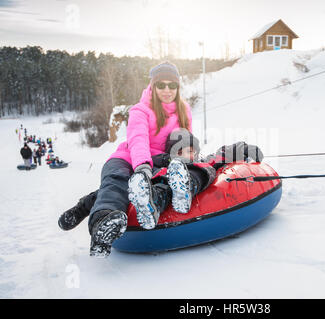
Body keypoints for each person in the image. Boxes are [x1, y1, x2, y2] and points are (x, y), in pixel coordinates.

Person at [58, 129, 263, 233]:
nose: (187, 155)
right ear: (171, 154)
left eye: (191, 151)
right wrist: (83, 207)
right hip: (163, 183)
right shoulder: (160, 165)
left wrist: (244, 148)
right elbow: (111, 191)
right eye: (181, 152)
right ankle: (151, 203)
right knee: (129, 188)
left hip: (194, 179)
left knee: (201, 170)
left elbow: (223, 153)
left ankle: (184, 189)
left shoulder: (202, 162)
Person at [85, 61, 193, 258]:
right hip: (128, 157)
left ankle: (86, 205)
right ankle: (103, 226)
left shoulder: (184, 110)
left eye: (172, 85)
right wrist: (142, 166)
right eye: (161, 85)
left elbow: (186, 139)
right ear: (152, 86)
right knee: (116, 182)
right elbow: (138, 139)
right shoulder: (140, 110)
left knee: (156, 186)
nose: (167, 90)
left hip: (161, 161)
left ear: (178, 87)